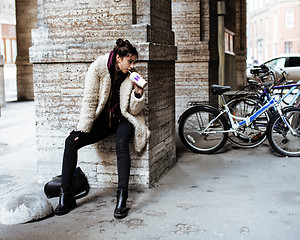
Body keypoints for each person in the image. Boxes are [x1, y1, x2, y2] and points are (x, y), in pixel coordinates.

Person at [54, 39, 150, 219]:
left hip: (124, 118)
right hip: (103, 121)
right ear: (119, 58)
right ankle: (65, 195)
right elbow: (89, 100)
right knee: (71, 142)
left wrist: (138, 93)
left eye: (134, 62)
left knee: (121, 143)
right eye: (130, 61)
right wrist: (82, 130)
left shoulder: (131, 75)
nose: (132, 65)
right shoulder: (98, 68)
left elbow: (134, 110)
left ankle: (122, 196)